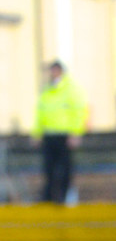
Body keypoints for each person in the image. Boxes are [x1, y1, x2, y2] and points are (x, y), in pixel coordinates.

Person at [33, 60, 88, 204]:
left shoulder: (71, 89)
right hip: (49, 135)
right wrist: (37, 134)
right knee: (48, 169)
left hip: (64, 135)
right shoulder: (46, 90)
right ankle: (48, 198)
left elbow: (78, 112)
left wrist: (76, 133)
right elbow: (40, 114)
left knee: (65, 169)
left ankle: (63, 197)